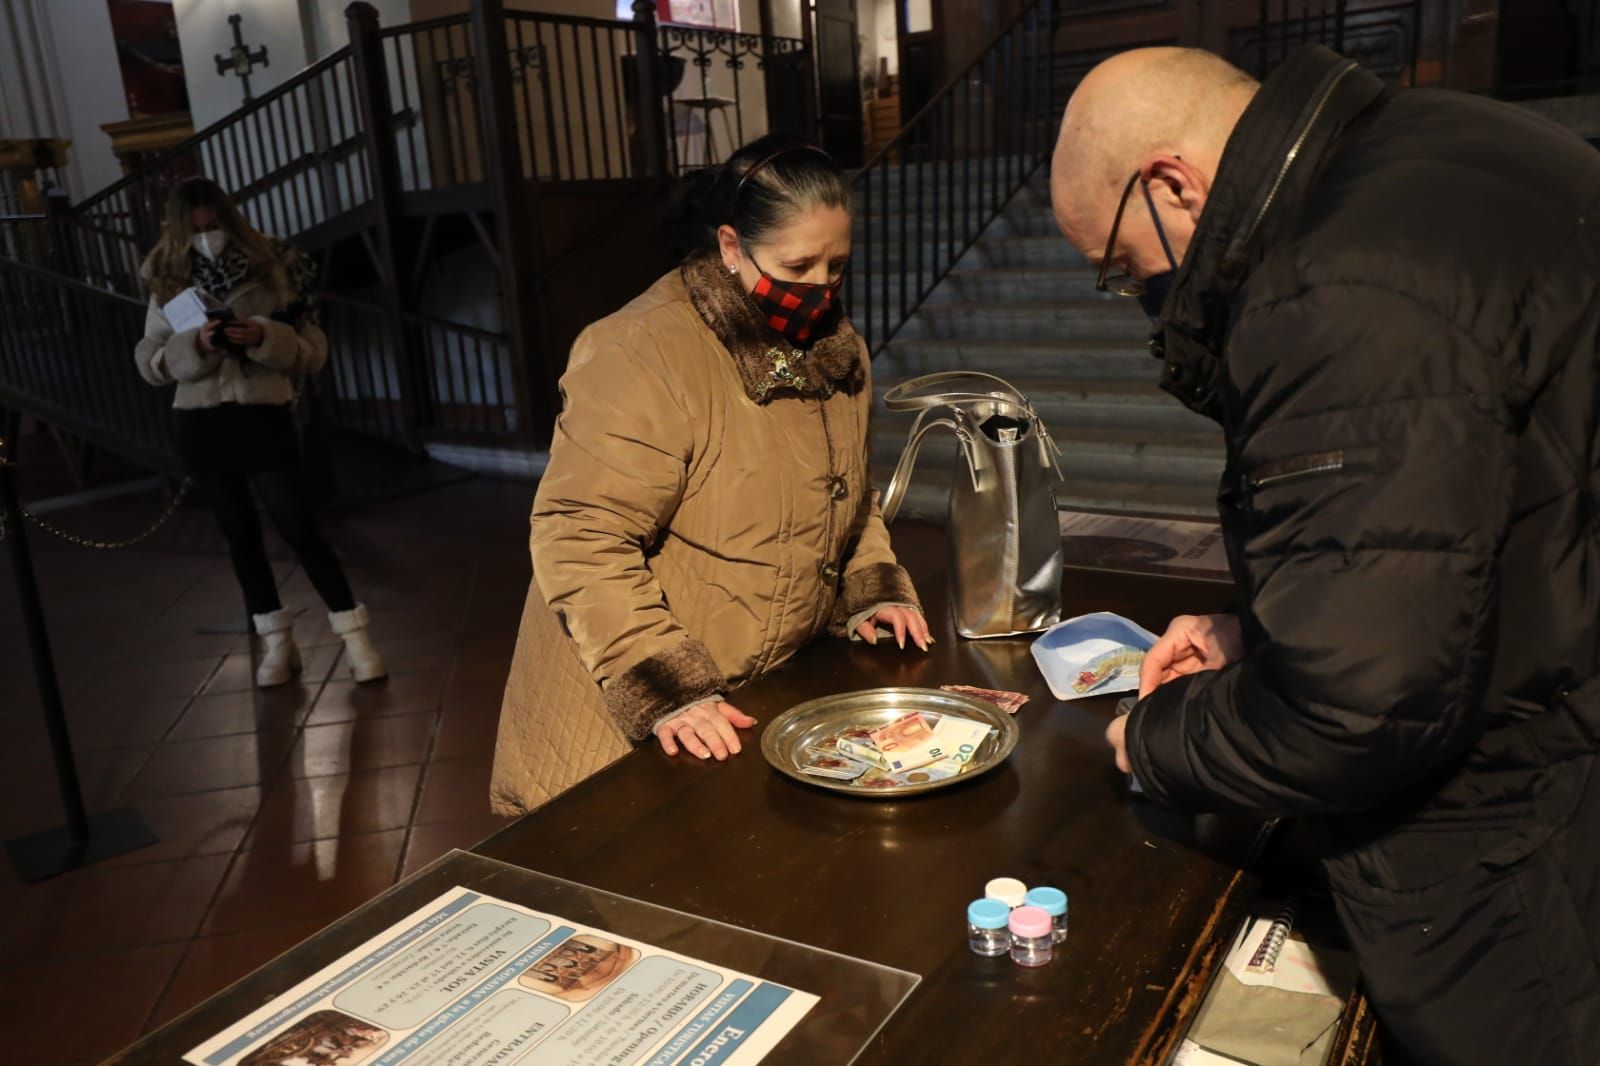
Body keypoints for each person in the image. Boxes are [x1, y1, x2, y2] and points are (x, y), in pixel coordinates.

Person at [1050, 45, 1600, 1065]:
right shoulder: (1438, 145)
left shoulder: (1333, 285)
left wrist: (1159, 736)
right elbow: (1448, 519)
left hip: (1524, 834)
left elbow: (1356, 710)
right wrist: (1261, 621)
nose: (1138, 298)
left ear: (1172, 183)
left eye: (1122, 267)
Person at [491, 135, 930, 814]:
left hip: (749, 695)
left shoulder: (837, 351)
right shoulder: (643, 349)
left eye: (836, 267)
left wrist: (874, 587)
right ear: (730, 246)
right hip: (625, 713)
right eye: (796, 264)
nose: (818, 289)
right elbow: (579, 533)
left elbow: (850, 495)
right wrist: (670, 687)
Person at [135, 177, 386, 688]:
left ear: (229, 219)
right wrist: (196, 345)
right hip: (201, 421)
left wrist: (265, 336)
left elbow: (313, 347)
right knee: (240, 537)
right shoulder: (166, 277)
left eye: (214, 225)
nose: (207, 236)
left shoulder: (274, 264)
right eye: (197, 228)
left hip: (261, 415)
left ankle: (357, 639)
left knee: (299, 528)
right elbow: (151, 360)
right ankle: (277, 644)